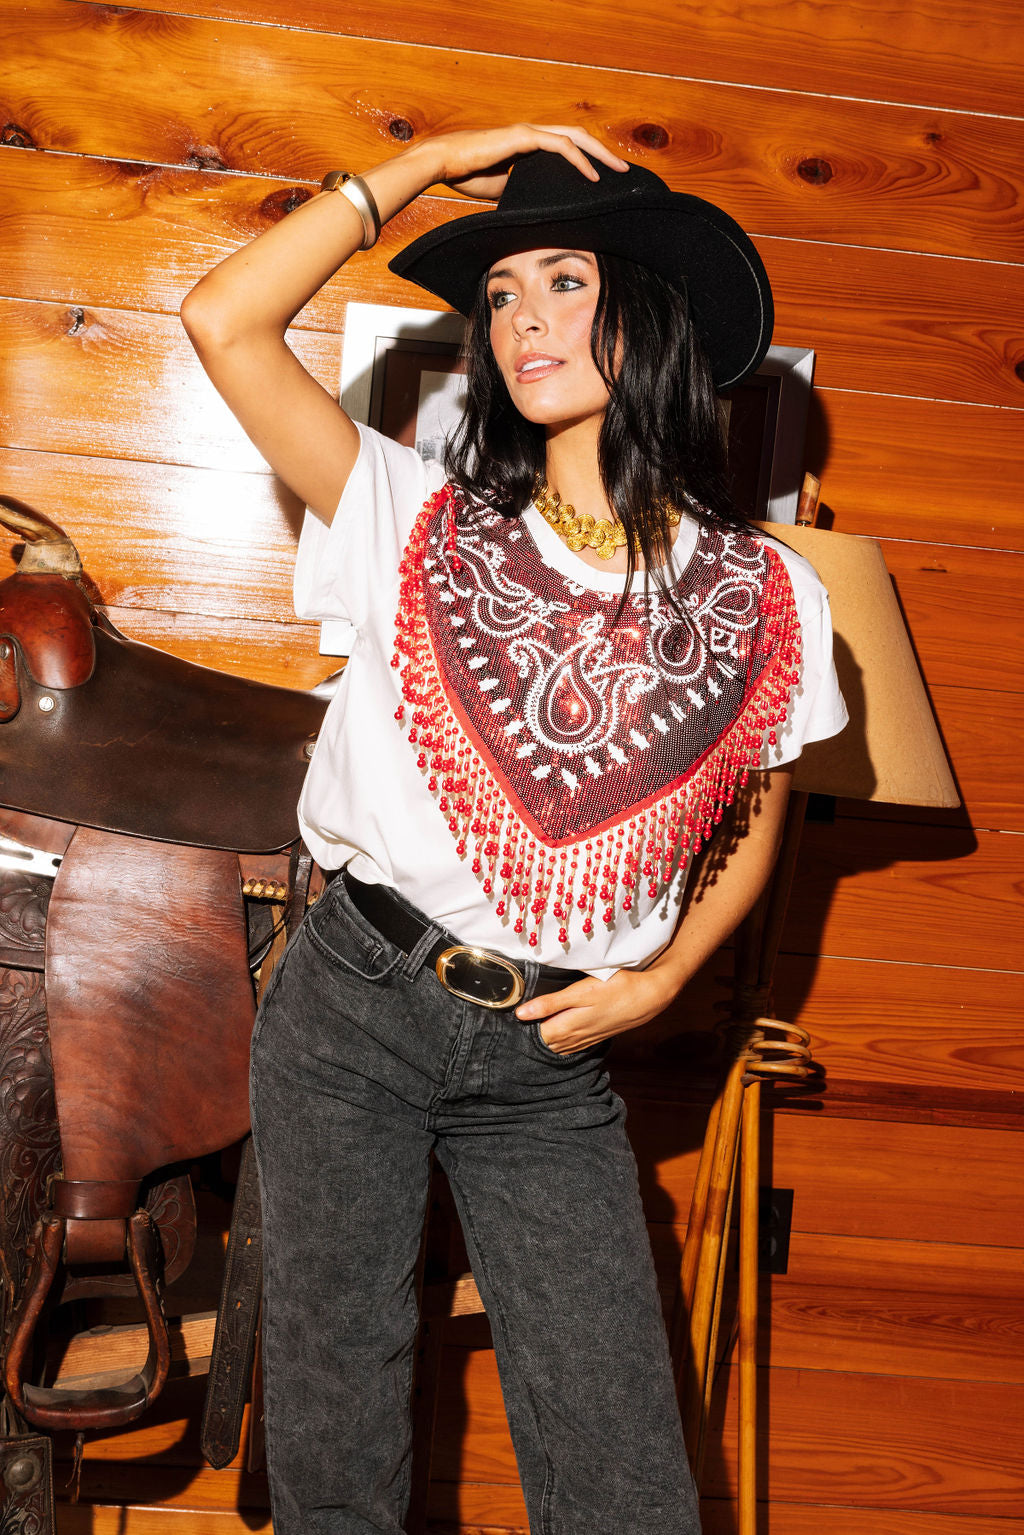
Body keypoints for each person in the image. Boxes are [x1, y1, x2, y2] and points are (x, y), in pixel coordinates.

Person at [181, 123, 847, 1535]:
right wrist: (421, 166)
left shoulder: (767, 593)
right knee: (339, 1446)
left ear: (648, 312)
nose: (522, 318)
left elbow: (765, 790)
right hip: (352, 1008)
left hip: (553, 1061)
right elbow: (222, 319)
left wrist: (667, 977)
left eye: (563, 281)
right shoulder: (409, 514)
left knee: (627, 1482)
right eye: (500, 295)